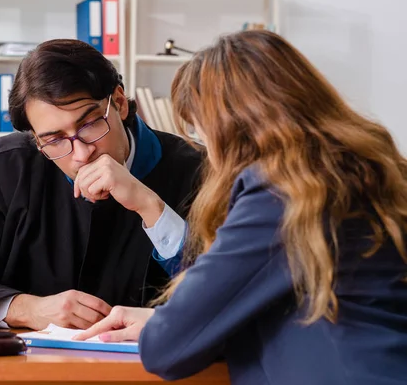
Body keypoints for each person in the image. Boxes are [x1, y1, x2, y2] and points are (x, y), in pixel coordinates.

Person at [74, 30, 407, 385]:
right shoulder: (367, 168)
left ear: (230, 129)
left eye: (202, 131)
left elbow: (166, 349)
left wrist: (165, 325)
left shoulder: (277, 194)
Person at [0, 39, 203, 331]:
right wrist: (25, 308)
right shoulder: (6, 167)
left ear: (119, 103)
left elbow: (228, 293)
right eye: (54, 139)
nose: (81, 154)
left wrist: (151, 207)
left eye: (90, 124)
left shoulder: (195, 170)